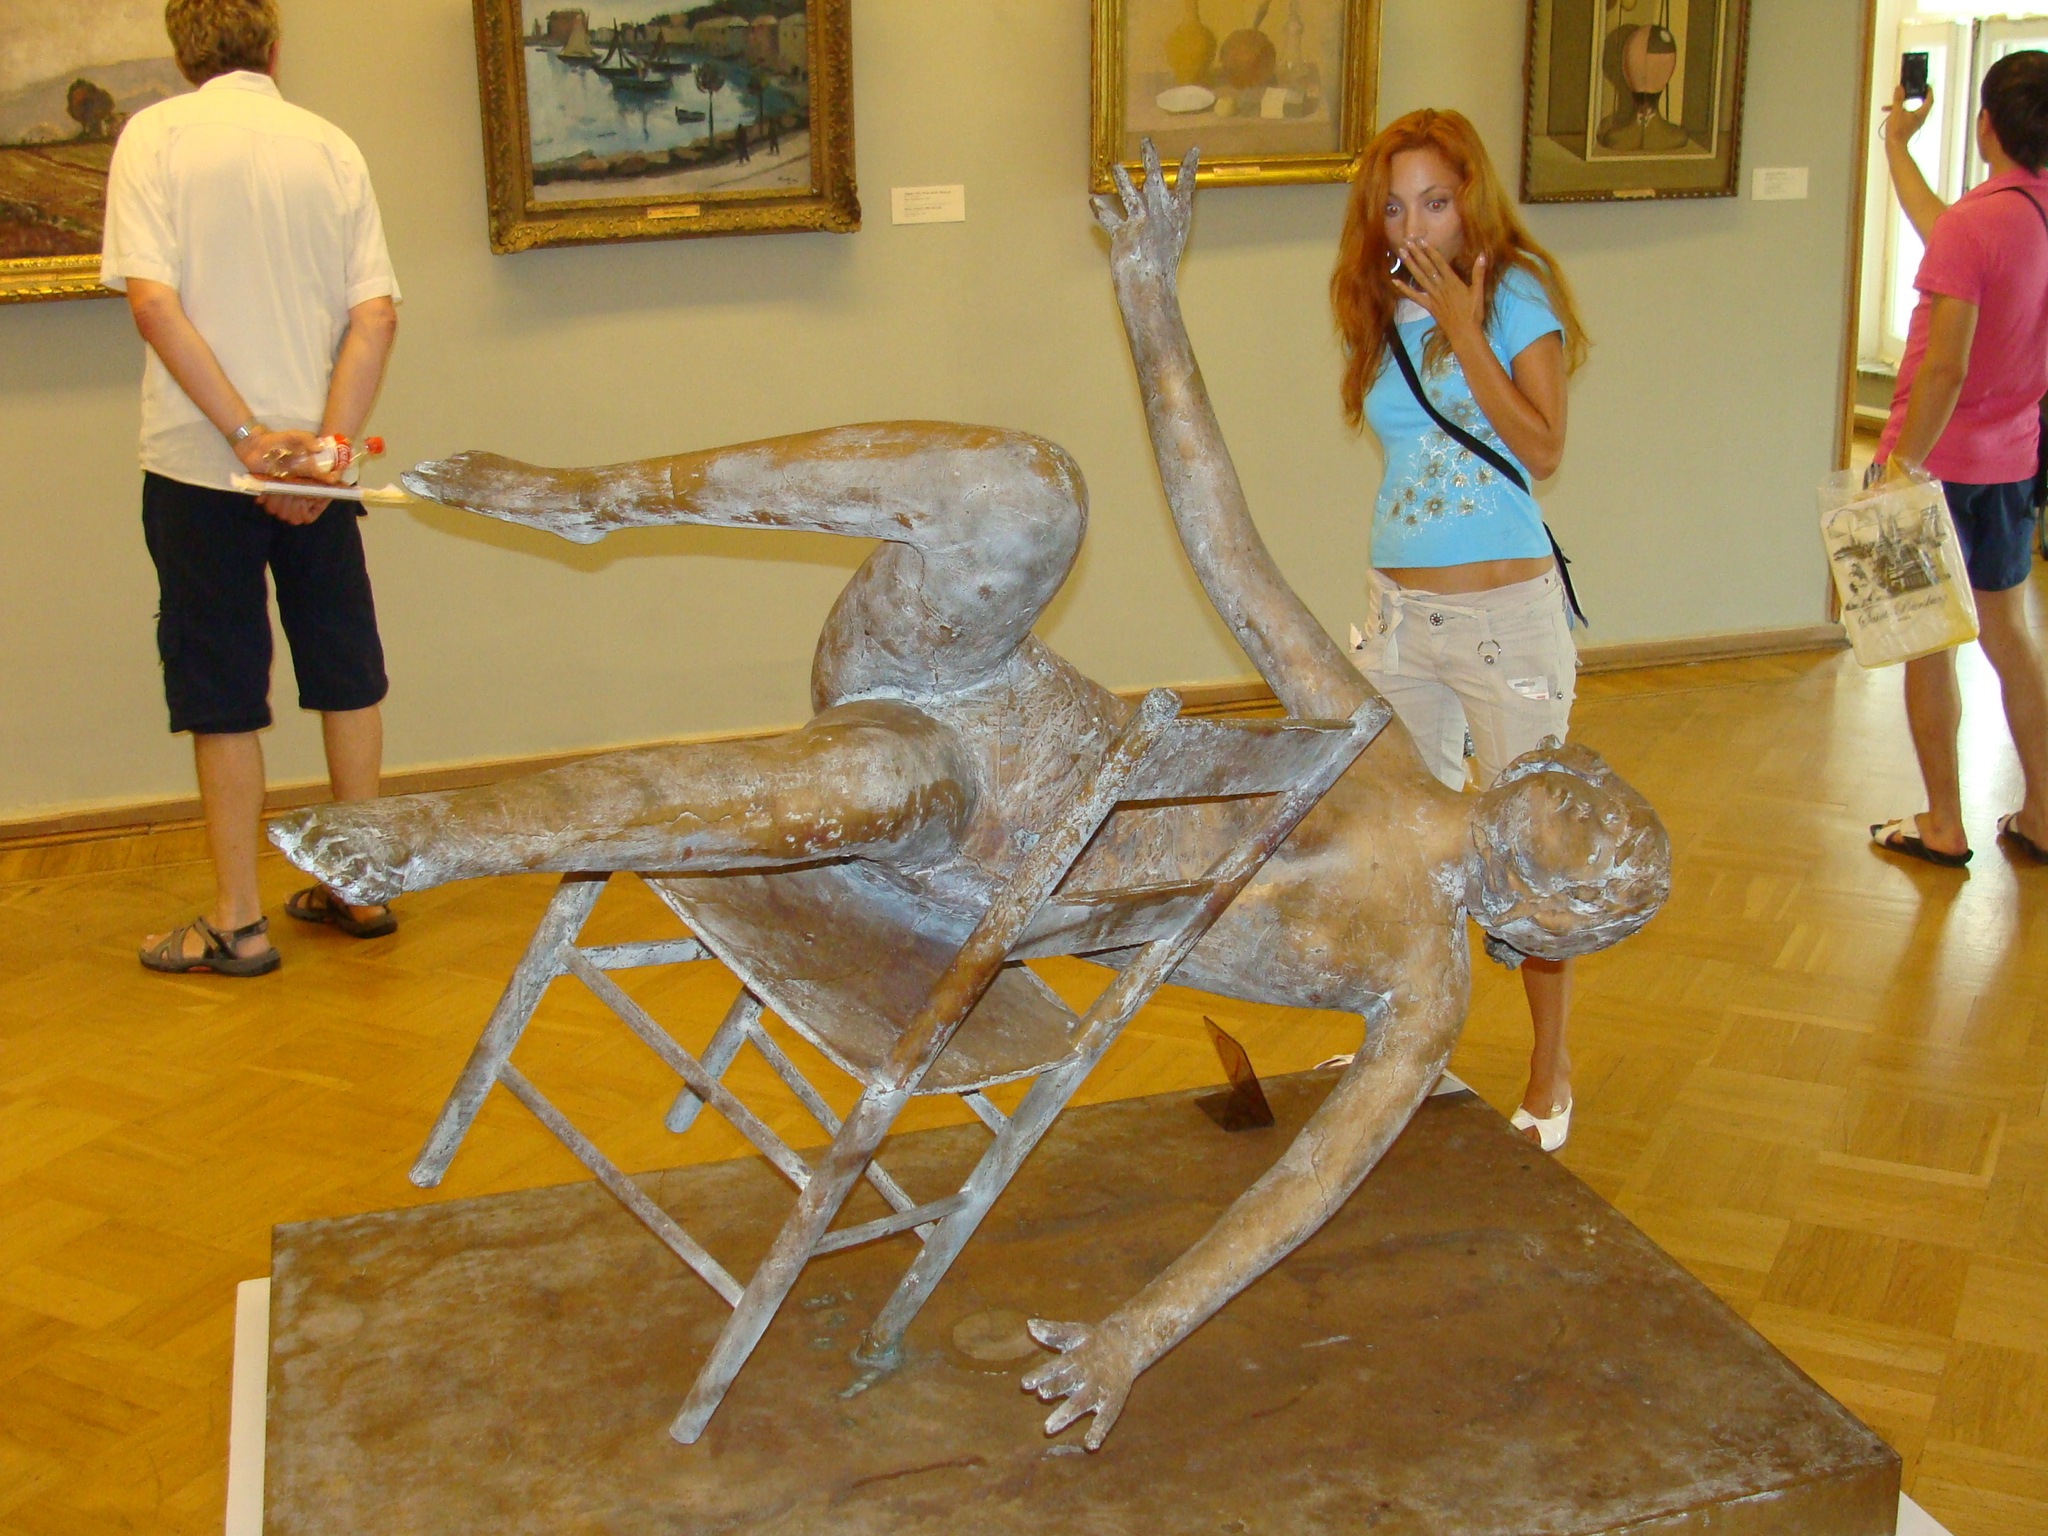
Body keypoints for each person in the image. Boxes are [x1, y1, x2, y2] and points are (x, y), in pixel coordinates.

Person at [102, 0, 402, 976]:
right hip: (319, 469)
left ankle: (238, 922)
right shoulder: (328, 145)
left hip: (199, 465)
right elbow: (375, 317)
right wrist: (325, 453)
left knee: (221, 686)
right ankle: (361, 884)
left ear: (181, 51)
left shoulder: (155, 138)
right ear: (273, 46)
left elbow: (154, 305)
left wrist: (246, 441)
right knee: (344, 666)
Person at [1332, 108, 1592, 1151]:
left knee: (1531, 846)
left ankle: (1548, 1064)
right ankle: (1409, 1047)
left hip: (1505, 622)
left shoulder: (1513, 292)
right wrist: (1421, 309)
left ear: (1469, 198)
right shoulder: (1378, 302)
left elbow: (1542, 446)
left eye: (1434, 202)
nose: (1414, 227)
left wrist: (1466, 326)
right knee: (1401, 846)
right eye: (1395, 207)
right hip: (1400, 618)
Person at [1870, 51, 2048, 870]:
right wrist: (1895, 146)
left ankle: (1943, 822)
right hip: (2011, 462)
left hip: (1936, 467)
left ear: (1985, 125)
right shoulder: (2020, 215)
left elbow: (1945, 367)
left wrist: (1901, 465)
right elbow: (1945, 233)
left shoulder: (1976, 225)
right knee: (2010, 636)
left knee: (1928, 643)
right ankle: (2042, 813)